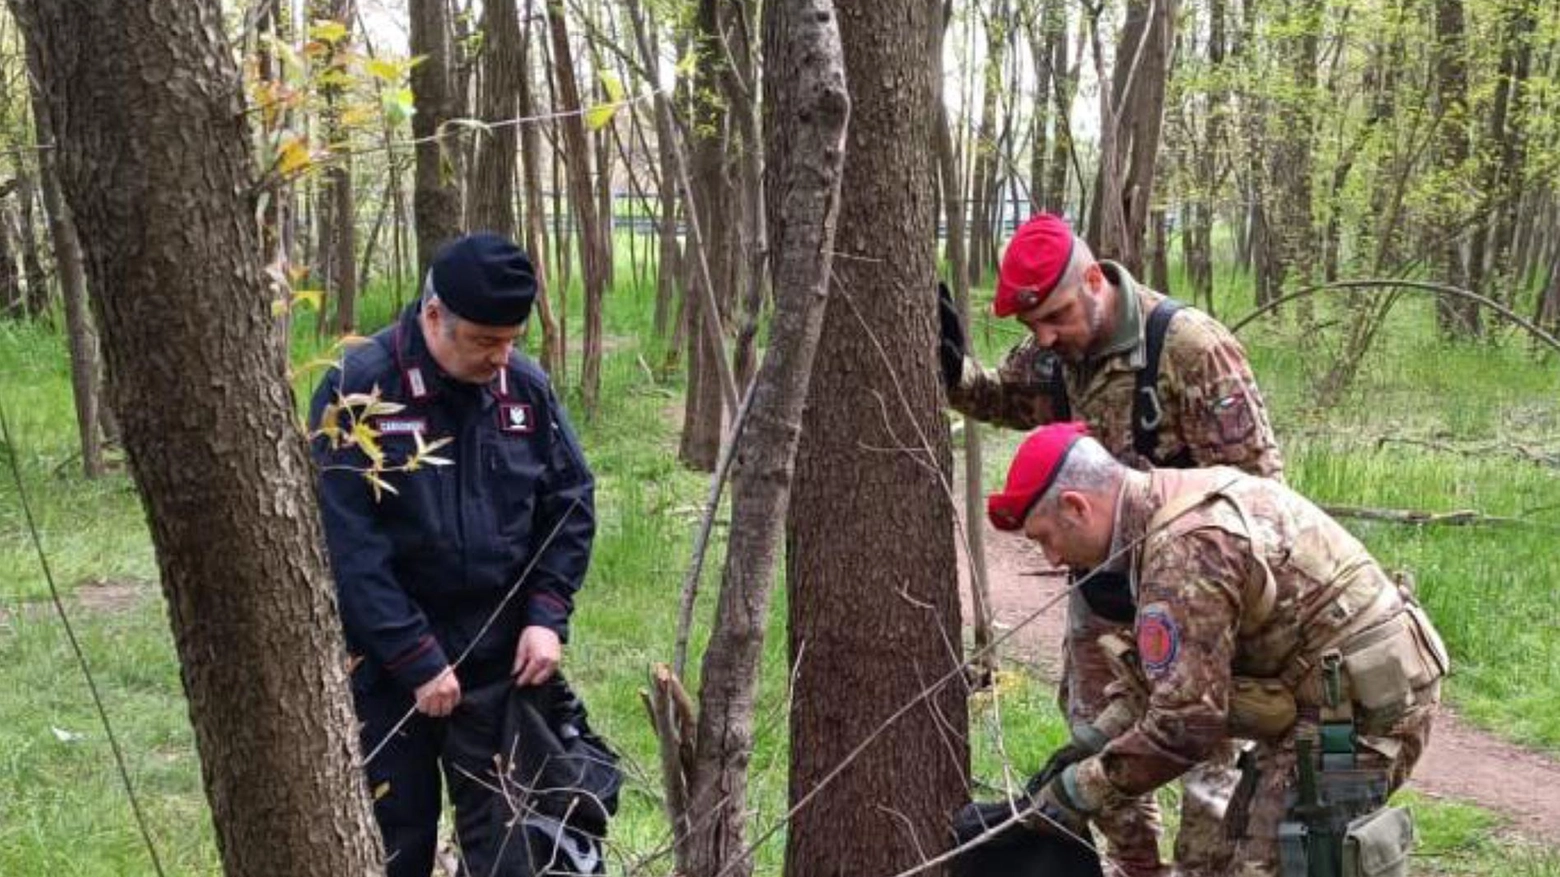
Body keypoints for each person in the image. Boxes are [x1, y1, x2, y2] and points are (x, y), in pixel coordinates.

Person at [939, 213, 1283, 876]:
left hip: (1195, 603)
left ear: (1094, 280)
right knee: (1104, 773)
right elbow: (1013, 400)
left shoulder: (1188, 347)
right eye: (1032, 325)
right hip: (1101, 604)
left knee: (1204, 782)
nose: (1044, 336)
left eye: (1056, 316)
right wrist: (954, 374)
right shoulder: (1055, 350)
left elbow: (1261, 496)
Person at [989, 423, 1446, 877]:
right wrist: (1089, 744)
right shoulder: (1168, 503)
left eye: (1044, 537)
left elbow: (1185, 724)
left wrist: (1079, 791)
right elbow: (1170, 682)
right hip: (1325, 693)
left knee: (1283, 863)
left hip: (1360, 708)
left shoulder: (1182, 550)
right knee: (1226, 858)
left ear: (1076, 506)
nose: (1051, 559)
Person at [309, 233, 601, 876]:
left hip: (501, 662)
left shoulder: (523, 390)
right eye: (485, 342)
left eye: (512, 340)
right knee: (392, 845)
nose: (501, 358)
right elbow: (345, 543)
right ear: (433, 316)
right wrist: (414, 657)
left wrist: (546, 616)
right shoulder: (359, 389)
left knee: (511, 848)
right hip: (386, 668)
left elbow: (570, 503)